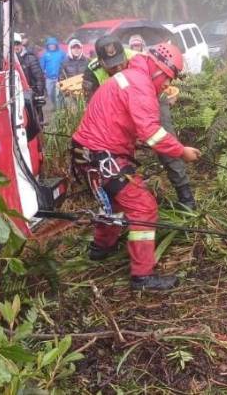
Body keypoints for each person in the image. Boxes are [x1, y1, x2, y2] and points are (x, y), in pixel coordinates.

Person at [71, 43, 201, 290]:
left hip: (88, 153)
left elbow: (129, 123)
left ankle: (101, 248)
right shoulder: (140, 84)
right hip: (102, 156)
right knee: (143, 208)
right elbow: (152, 132)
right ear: (158, 70)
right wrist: (181, 152)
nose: (166, 85)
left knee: (117, 203)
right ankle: (142, 276)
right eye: (168, 78)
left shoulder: (131, 77)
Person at [83, 35, 196, 208]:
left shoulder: (136, 58)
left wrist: (179, 151)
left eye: (121, 62)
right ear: (101, 62)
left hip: (149, 95)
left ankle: (185, 195)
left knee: (163, 137)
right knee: (116, 148)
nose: (119, 67)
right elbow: (93, 108)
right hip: (117, 105)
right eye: (112, 65)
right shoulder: (92, 72)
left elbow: (153, 131)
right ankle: (121, 187)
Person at [14, 32, 46, 122]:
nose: (16, 47)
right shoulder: (8, 61)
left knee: (36, 121)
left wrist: (39, 94)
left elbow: (39, 77)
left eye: (17, 44)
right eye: (13, 44)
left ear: (21, 44)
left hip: (31, 95)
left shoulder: (30, 58)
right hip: (16, 95)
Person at [59, 39, 90, 105]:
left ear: (81, 49)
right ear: (70, 49)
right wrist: (65, 91)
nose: (76, 50)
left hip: (85, 92)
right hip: (70, 94)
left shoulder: (87, 61)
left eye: (78, 47)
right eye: (73, 48)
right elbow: (61, 79)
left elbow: (90, 77)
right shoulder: (64, 63)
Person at [40, 36, 66, 110]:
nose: (51, 46)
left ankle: (60, 108)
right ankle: (55, 106)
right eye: (50, 45)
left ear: (56, 45)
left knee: (59, 94)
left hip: (59, 78)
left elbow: (66, 63)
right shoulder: (45, 55)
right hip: (49, 78)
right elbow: (42, 66)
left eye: (53, 44)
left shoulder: (61, 53)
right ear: (48, 45)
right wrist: (43, 73)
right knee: (50, 93)